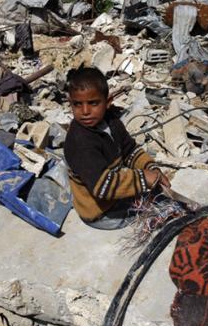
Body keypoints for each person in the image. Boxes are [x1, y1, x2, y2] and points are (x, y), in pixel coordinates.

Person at [63, 67, 169, 230]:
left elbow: (130, 151)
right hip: (101, 212)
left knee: (159, 196)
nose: (85, 111)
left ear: (108, 102)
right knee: (159, 212)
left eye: (93, 103)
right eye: (78, 104)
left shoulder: (111, 121)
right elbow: (102, 187)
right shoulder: (80, 142)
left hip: (113, 195)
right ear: (70, 103)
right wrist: (143, 178)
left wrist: (151, 167)